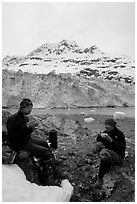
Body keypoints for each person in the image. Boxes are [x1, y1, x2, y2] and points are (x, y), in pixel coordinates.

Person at [7, 98, 63, 184]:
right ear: (23, 107)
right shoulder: (15, 118)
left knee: (45, 143)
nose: (30, 110)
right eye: (29, 108)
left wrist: (31, 127)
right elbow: (13, 135)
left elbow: (25, 132)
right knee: (45, 152)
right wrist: (27, 127)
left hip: (26, 140)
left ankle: (54, 165)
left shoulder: (23, 117)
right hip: (20, 144)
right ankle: (47, 177)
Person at [92, 118, 126, 188]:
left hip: (118, 156)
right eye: (105, 124)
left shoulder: (119, 134)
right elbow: (99, 141)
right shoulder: (106, 132)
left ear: (113, 126)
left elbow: (122, 149)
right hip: (110, 152)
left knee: (104, 153)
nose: (106, 126)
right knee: (98, 145)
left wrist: (111, 140)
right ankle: (105, 161)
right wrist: (99, 136)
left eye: (108, 125)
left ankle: (100, 179)